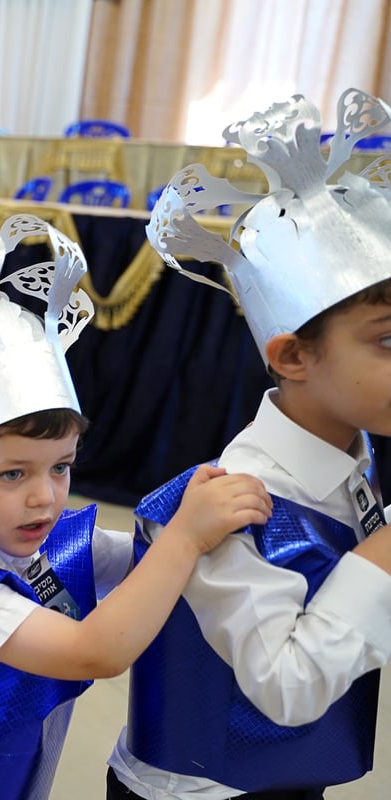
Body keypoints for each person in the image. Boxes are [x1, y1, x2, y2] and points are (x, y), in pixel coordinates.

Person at [0, 217, 270, 800]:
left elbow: (145, 556)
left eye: (61, 467)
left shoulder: (49, 542)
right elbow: (95, 652)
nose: (44, 496)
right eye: (13, 473)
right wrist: (186, 538)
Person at [107, 90, 391, 799]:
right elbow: (286, 689)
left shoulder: (358, 446)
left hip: (293, 774)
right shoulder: (238, 503)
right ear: (294, 356)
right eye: (388, 341)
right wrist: (381, 559)